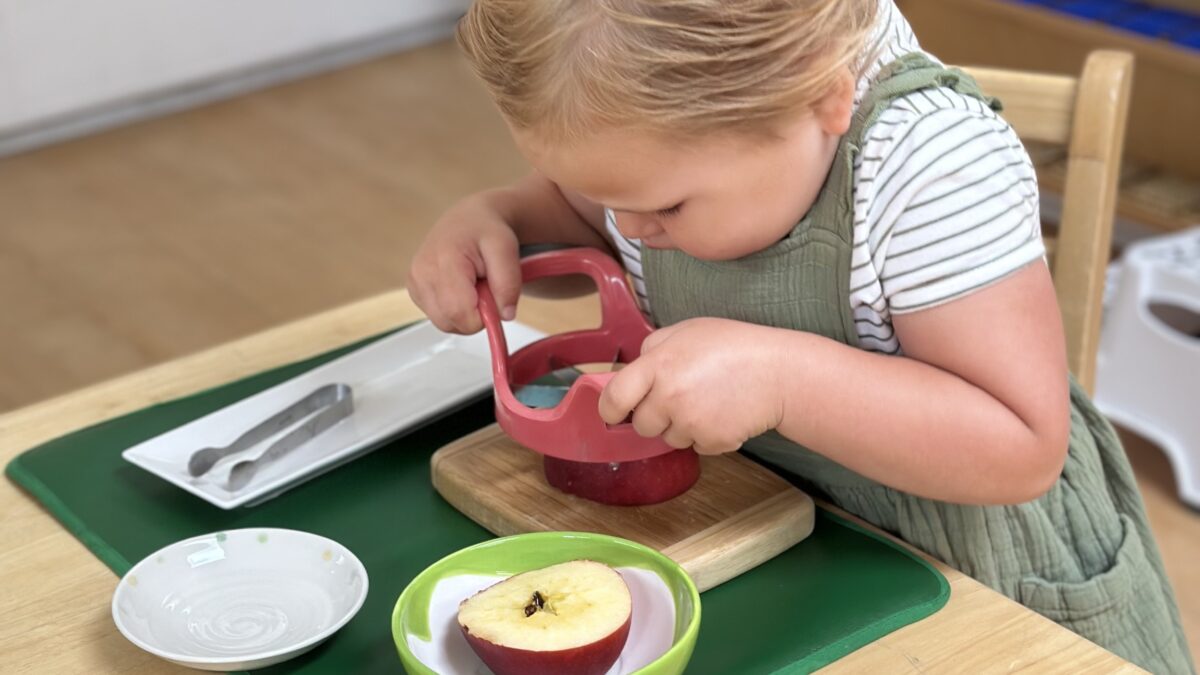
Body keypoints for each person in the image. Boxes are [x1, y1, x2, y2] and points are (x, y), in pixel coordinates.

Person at [406, 1, 1194, 670]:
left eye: (668, 208)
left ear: (824, 97)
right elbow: (587, 215)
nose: (631, 227)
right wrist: (502, 220)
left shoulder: (931, 167)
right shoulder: (675, 151)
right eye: (606, 196)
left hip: (975, 578)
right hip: (779, 538)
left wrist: (782, 381)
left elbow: (1021, 445)